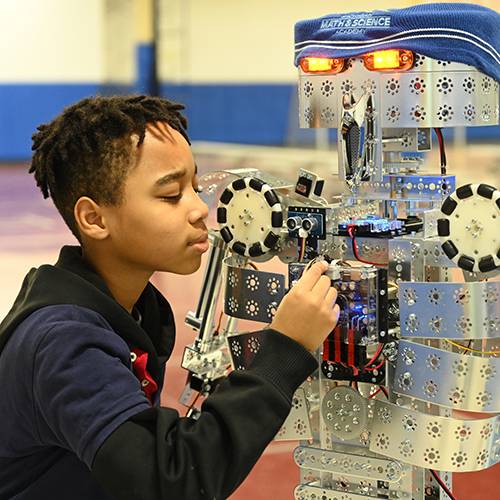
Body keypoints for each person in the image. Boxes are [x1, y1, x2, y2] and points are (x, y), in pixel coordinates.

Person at [0, 95, 340, 500]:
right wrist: (283, 351)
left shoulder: (126, 312)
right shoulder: (63, 343)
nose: (199, 210)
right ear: (94, 219)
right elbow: (168, 481)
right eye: (170, 195)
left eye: (195, 187)